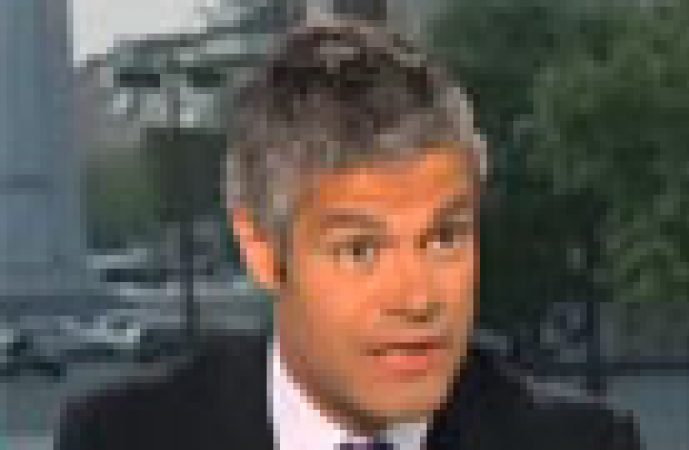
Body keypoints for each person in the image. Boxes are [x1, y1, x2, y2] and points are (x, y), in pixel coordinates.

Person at [57, 18, 641, 450]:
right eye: (360, 250)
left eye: (444, 239)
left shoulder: (579, 444)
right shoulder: (123, 438)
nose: (417, 298)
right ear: (262, 251)